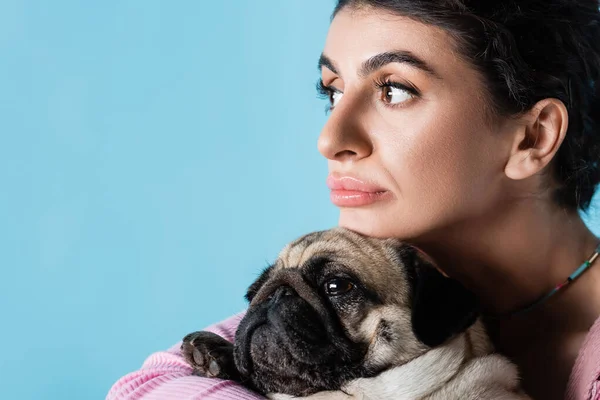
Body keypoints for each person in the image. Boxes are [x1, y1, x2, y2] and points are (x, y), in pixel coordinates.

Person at [106, 0, 600, 399]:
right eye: (334, 91)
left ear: (533, 137)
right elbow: (147, 387)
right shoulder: (365, 282)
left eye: (395, 90)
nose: (330, 138)